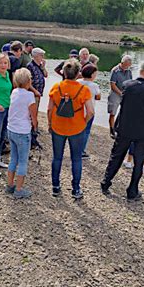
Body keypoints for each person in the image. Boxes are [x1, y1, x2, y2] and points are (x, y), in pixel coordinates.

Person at [100, 62, 144, 201]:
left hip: (125, 127)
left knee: (116, 156)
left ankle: (105, 182)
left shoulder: (127, 84)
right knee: (138, 162)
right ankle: (132, 191)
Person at [48, 59, 94, 199]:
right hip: (76, 128)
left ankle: (56, 187)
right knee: (76, 159)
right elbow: (91, 111)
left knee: (57, 157)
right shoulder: (84, 89)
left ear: (64, 73)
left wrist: (50, 124)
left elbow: (50, 109)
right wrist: (84, 123)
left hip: (58, 127)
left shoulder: (56, 87)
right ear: (78, 73)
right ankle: (75, 189)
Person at [6, 68, 38, 198]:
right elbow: (33, 116)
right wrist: (35, 126)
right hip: (22, 131)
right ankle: (19, 189)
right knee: (23, 161)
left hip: (11, 129)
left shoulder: (14, 92)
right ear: (28, 81)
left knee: (13, 158)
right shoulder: (29, 96)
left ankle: (10, 185)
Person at [77, 63, 101, 159]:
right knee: (86, 131)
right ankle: (81, 151)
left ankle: (75, 148)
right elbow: (98, 97)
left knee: (77, 130)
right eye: (95, 74)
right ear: (92, 75)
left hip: (78, 110)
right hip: (89, 111)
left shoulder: (78, 82)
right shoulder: (94, 85)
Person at [107, 55, 133, 138]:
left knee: (124, 112)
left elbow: (130, 82)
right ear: (122, 63)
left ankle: (118, 128)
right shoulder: (115, 71)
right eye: (126, 65)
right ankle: (111, 130)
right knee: (112, 112)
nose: (127, 67)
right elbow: (112, 85)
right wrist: (120, 93)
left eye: (129, 65)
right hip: (115, 92)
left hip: (125, 93)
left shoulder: (129, 71)